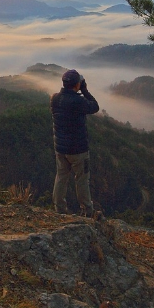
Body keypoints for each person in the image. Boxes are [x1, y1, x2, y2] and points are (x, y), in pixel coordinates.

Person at [50, 68, 100, 216]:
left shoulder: (54, 98)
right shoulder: (78, 101)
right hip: (78, 150)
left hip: (61, 148)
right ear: (76, 84)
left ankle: (59, 209)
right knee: (82, 180)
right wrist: (84, 90)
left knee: (61, 177)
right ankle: (87, 211)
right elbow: (95, 106)